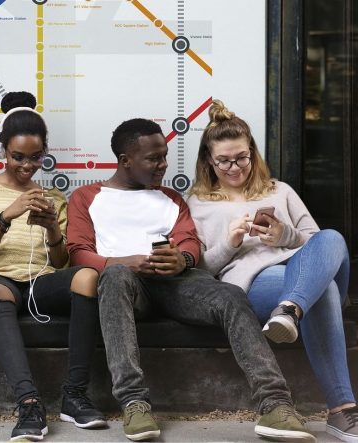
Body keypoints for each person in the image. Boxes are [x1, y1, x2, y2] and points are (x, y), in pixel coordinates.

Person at [66, 117, 313, 442]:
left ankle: (276, 405)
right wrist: (125, 261)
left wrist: (180, 259)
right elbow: (78, 252)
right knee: (113, 276)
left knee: (230, 296)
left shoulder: (172, 198)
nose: (163, 165)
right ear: (125, 161)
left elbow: (189, 243)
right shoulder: (86, 197)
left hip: (175, 283)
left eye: (165, 156)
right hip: (126, 285)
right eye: (153, 158)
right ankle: (134, 403)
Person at [187, 100, 357, 442]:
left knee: (333, 237)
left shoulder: (280, 190)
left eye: (241, 158)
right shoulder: (198, 202)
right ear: (208, 159)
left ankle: (291, 309)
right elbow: (200, 268)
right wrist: (231, 243)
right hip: (256, 284)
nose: (234, 168)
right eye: (223, 161)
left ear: (252, 152)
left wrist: (284, 235)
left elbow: (319, 245)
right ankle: (343, 410)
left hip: (300, 273)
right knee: (324, 292)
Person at [0, 91, 104, 441]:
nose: (27, 165)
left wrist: (54, 230)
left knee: (86, 276)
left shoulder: (54, 198)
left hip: (40, 281)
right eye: (17, 157)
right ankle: (28, 403)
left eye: (36, 157)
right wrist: (5, 217)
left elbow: (61, 263)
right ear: (2, 151)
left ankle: (74, 395)